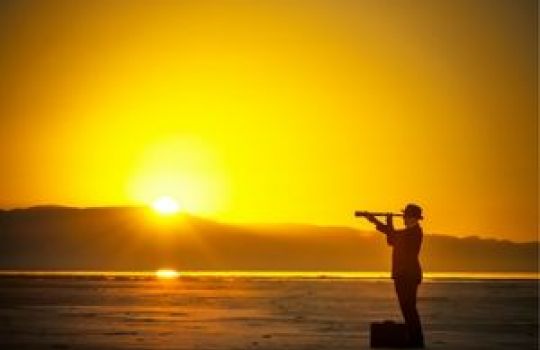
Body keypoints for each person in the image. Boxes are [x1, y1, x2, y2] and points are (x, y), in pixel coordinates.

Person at [364, 204, 425, 348]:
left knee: (409, 308)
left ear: (412, 218)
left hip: (407, 275)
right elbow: (392, 238)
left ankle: (416, 340)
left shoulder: (414, 233)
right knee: (407, 308)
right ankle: (415, 339)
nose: (403, 218)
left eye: (405, 216)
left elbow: (393, 236)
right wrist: (374, 220)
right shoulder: (409, 232)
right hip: (402, 275)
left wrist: (386, 222)